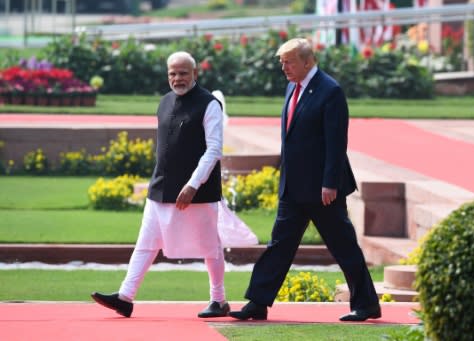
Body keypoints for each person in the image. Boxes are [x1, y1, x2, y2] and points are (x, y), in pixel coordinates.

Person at [229, 38, 381, 322]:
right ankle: (257, 303)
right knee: (279, 246)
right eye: (281, 62)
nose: (283, 67)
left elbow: (336, 143)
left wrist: (330, 183)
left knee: (343, 246)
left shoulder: (330, 91)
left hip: (323, 190)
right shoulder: (292, 87)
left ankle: (366, 304)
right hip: (293, 188)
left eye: (288, 62)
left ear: (307, 61)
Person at [91, 51, 230, 319]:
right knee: (145, 243)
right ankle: (125, 297)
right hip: (161, 187)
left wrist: (193, 185)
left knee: (209, 245)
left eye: (183, 73)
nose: (177, 78)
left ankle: (219, 299)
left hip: (197, 191)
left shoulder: (209, 104)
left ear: (195, 74)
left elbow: (214, 150)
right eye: (172, 74)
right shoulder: (165, 102)